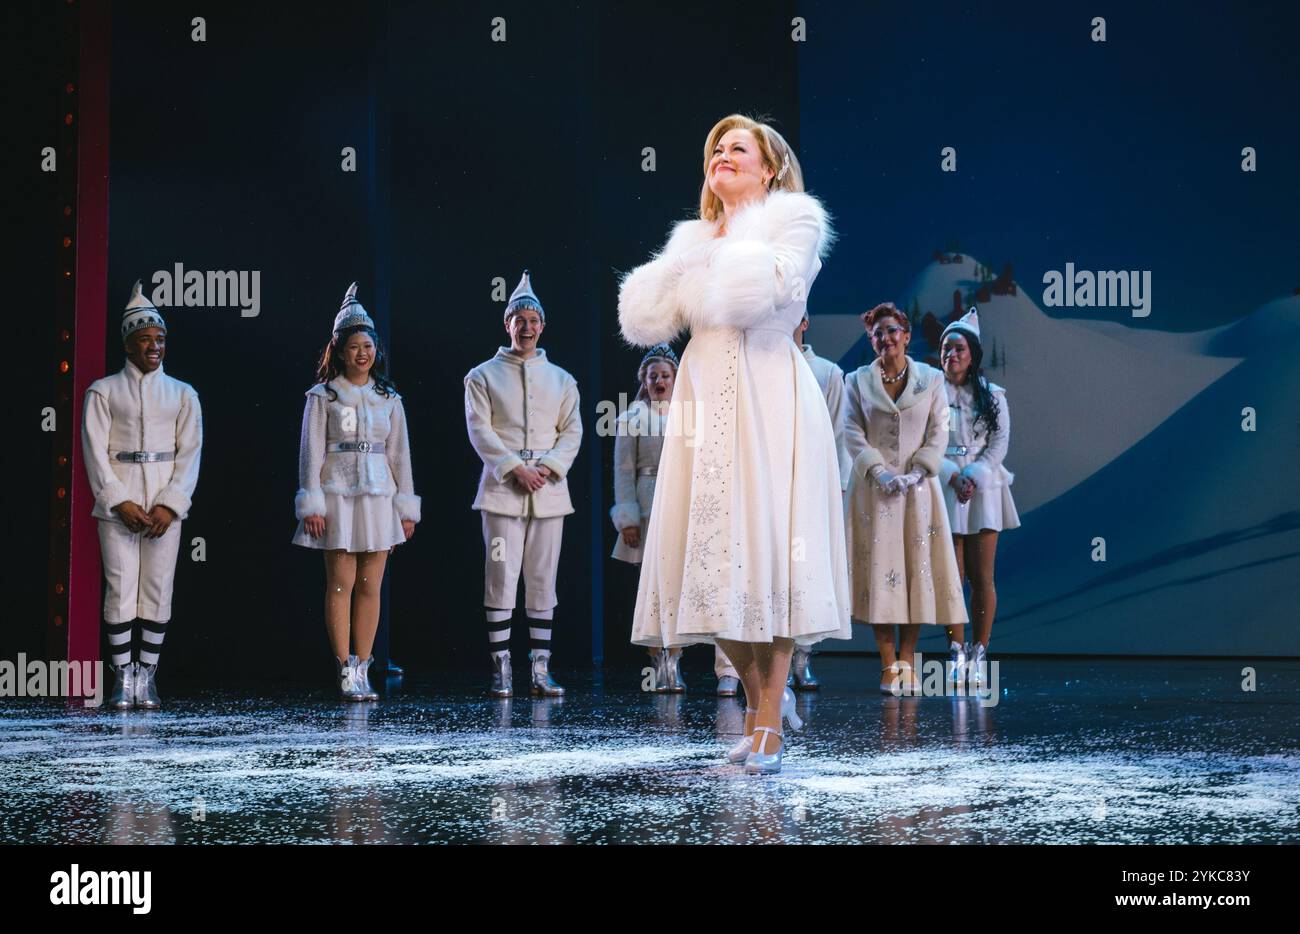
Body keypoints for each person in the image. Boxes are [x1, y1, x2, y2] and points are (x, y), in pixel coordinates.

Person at [617, 114, 851, 774]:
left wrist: (726, 244)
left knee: (767, 558)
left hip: (767, 391)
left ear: (769, 166)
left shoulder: (795, 219)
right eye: (715, 148)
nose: (722, 156)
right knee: (712, 561)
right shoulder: (695, 236)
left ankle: (768, 727)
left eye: (737, 149)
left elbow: (767, 292)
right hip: (704, 395)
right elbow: (646, 316)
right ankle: (758, 715)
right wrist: (696, 253)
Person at [292, 283, 420, 701]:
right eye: (353, 347)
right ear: (340, 351)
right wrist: (311, 499)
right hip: (338, 496)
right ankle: (344, 666)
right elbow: (311, 452)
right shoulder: (323, 397)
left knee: (371, 584)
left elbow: (400, 456)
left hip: (379, 496)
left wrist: (406, 508)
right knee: (341, 582)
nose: (362, 353)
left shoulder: (389, 399)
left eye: (368, 346)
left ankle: (364, 665)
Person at [81, 281, 202, 709]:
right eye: (145, 339)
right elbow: (94, 451)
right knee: (120, 587)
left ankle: (147, 675)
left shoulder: (183, 394)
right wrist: (117, 499)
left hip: (163, 510)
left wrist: (171, 503)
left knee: (157, 585)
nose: (155, 346)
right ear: (128, 344)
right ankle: (122, 676)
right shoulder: (103, 391)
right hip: (120, 506)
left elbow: (189, 454)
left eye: (160, 339)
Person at [465, 270, 582, 698]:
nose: (527, 327)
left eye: (533, 320)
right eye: (520, 320)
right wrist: (516, 468)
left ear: (543, 326)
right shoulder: (481, 376)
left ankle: (540, 669)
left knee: (541, 578)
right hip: (502, 493)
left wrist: (548, 468)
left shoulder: (563, 380)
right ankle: (501, 668)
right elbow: (480, 430)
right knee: (501, 575)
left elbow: (572, 432)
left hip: (549, 494)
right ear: (508, 325)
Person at [843, 302, 969, 695]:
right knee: (881, 576)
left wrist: (919, 470)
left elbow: (939, 432)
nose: (886, 338)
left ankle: (908, 660)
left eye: (893, 331)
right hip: (874, 491)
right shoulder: (857, 381)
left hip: (918, 492)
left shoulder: (930, 379)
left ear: (907, 335)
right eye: (878, 333)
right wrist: (878, 471)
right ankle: (887, 665)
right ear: (872, 339)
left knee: (915, 574)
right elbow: (851, 429)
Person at [938, 308, 1020, 685]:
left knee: (981, 576)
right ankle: (955, 651)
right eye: (945, 349)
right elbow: (925, 442)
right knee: (952, 577)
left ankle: (980, 650)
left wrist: (974, 475)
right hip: (945, 485)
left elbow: (999, 443)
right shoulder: (929, 392)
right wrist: (953, 475)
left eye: (957, 349)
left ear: (972, 354)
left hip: (984, 489)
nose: (950, 356)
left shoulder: (993, 396)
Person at [786, 311, 852, 691]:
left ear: (805, 322)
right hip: (775, 482)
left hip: (811, 482)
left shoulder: (827, 372)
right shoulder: (763, 367)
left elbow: (838, 432)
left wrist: (837, 484)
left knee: (806, 567)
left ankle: (802, 655)